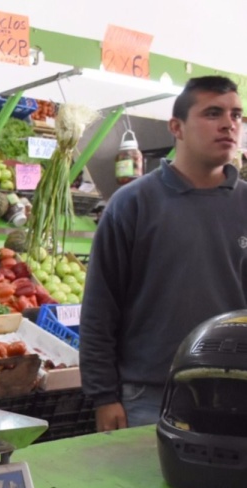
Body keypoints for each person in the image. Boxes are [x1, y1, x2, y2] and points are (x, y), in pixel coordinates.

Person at [80, 75, 246, 431]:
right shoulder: (132, 204)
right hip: (150, 397)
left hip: (236, 392)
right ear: (177, 127)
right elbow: (99, 308)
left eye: (236, 115)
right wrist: (104, 396)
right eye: (213, 113)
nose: (228, 125)